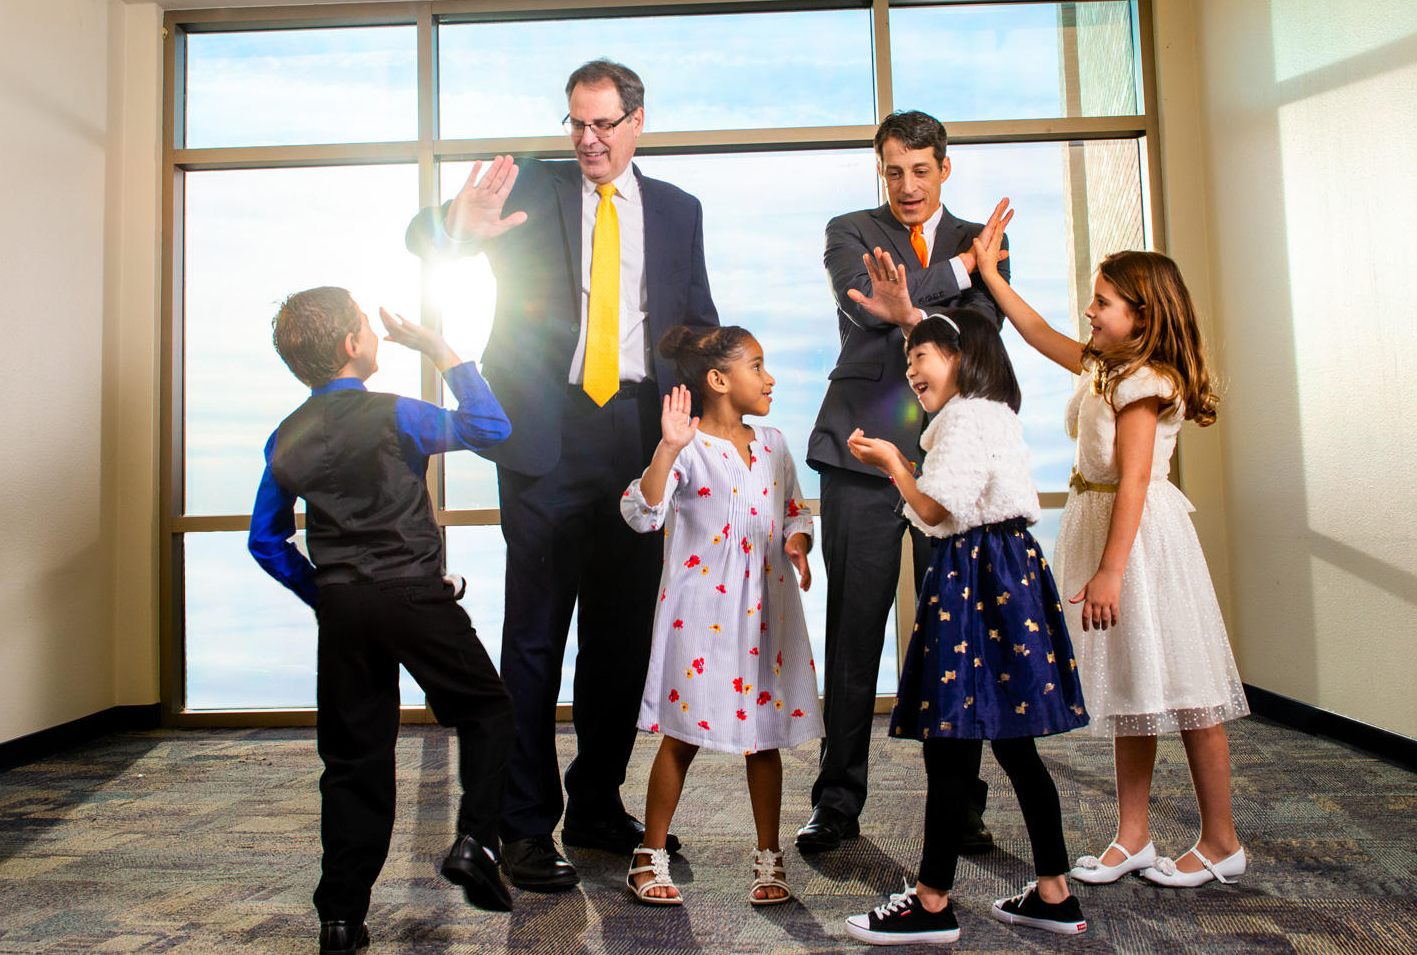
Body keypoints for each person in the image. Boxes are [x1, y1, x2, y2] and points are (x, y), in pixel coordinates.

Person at [404, 60, 720, 892]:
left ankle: (595, 804)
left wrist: (718, 421)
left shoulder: (679, 211)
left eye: (604, 124)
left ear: (638, 121)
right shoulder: (534, 189)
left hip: (639, 436)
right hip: (546, 437)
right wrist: (455, 222)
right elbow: (423, 241)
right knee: (536, 639)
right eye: (577, 124)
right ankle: (521, 823)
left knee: (621, 639)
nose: (588, 140)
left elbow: (695, 321)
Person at [970, 208, 1248, 888]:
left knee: (1189, 692)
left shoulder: (1144, 384)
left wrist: (1110, 571)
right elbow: (1036, 334)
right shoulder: (1105, 365)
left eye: (1102, 301)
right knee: (1136, 688)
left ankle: (1221, 842)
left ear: (1144, 318)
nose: (1088, 310)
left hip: (1143, 543)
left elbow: (1133, 484)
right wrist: (988, 272)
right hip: (1110, 528)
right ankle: (1135, 836)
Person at [247, 287, 516, 955]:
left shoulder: (286, 437)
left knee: (352, 763)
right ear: (351, 345)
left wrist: (328, 593)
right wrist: (438, 348)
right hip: (415, 597)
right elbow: (491, 429)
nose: (372, 334)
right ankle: (477, 841)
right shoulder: (397, 415)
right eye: (365, 326)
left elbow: (267, 542)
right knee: (488, 710)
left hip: (344, 611)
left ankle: (339, 917)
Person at [839, 303, 1090, 945]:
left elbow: (936, 507)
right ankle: (1056, 892)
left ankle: (930, 904)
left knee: (951, 744)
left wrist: (896, 465)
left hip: (977, 577)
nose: (911, 370)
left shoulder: (964, 420)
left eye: (919, 356)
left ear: (958, 358)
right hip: (1005, 574)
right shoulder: (992, 415)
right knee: (1012, 744)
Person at [800, 110, 1008, 855]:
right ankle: (837, 802)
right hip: (861, 453)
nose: (908, 185)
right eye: (894, 170)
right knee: (854, 633)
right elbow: (862, 305)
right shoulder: (849, 230)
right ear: (879, 171)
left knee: (955, 638)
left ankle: (963, 805)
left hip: (951, 463)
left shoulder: (986, 239)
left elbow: (979, 344)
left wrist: (912, 309)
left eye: (921, 170)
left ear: (944, 168)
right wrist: (950, 280)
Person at [617, 326, 822, 907]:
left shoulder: (775, 444)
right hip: (699, 612)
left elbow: (794, 509)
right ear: (718, 380)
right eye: (758, 366)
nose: (770, 377)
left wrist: (799, 544)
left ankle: (768, 855)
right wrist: (667, 447)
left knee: (765, 738)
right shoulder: (687, 448)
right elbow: (643, 512)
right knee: (682, 736)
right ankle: (649, 856)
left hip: (765, 612)